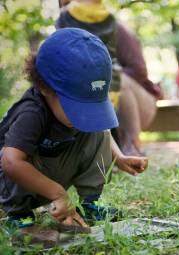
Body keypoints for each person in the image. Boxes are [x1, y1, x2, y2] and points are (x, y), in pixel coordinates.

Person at [0, 28, 148, 228]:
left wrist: (119, 158)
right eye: (77, 107)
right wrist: (58, 194)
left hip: (50, 172)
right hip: (13, 179)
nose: (84, 114)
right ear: (45, 88)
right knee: (15, 157)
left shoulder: (77, 112)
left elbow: (101, 132)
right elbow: (11, 162)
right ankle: (19, 216)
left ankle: (90, 203)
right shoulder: (32, 112)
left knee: (97, 127)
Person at [56, 0, 162, 156]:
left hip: (138, 103)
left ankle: (133, 147)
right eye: (63, 4)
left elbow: (139, 69)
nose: (66, 7)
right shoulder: (65, 28)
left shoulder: (114, 26)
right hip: (96, 98)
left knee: (117, 79)